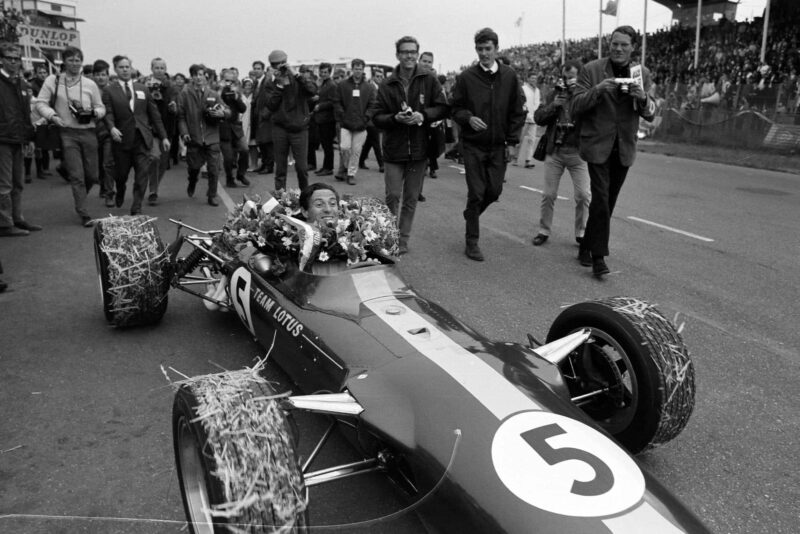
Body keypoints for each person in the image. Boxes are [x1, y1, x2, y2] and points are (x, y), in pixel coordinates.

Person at [570, 25, 656, 277]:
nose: (618, 49)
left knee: (608, 201)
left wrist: (641, 98)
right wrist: (598, 90)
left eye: (624, 45)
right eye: (614, 44)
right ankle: (599, 257)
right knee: (601, 199)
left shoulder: (643, 74)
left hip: (624, 147)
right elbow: (575, 106)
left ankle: (586, 245)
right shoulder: (592, 70)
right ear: (609, 45)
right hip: (597, 145)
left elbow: (650, 113)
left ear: (633, 48)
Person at [451, 28, 526, 261]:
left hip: (498, 145)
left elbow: (518, 110)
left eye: (488, 49)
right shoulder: (466, 78)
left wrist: (512, 142)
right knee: (476, 192)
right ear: (476, 50)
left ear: (496, 49)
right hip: (473, 145)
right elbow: (454, 108)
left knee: (494, 191)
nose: (484, 53)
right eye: (480, 49)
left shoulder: (510, 76)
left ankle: (470, 214)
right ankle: (471, 241)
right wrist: (467, 118)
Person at [371, 35, 448, 256]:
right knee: (393, 195)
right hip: (394, 150)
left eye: (413, 52)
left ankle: (402, 239)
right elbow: (376, 116)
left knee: (411, 198)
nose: (409, 56)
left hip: (419, 149)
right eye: (405, 52)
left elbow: (443, 107)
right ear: (397, 55)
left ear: (417, 53)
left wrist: (422, 115)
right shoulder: (387, 83)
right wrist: (395, 118)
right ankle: (388, 235)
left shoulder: (429, 79)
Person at [34, 45, 106, 227]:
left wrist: (94, 113)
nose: (75, 64)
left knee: (92, 175)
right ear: (64, 61)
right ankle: (83, 212)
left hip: (88, 131)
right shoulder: (54, 80)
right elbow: (40, 103)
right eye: (71, 60)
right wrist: (53, 116)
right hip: (67, 132)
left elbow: (101, 107)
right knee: (77, 175)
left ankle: (80, 196)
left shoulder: (90, 84)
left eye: (78, 60)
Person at [531, 60, 590, 248]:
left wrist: (577, 95)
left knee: (583, 195)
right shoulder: (554, 93)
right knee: (548, 194)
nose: (567, 80)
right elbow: (538, 118)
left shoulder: (585, 95)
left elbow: (593, 115)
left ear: (580, 77)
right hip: (555, 151)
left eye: (571, 76)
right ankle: (543, 230)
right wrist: (554, 105)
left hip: (578, 152)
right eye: (565, 77)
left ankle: (581, 232)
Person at [102, 55, 169, 215]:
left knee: (142, 174)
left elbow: (154, 115)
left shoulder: (142, 88)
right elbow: (108, 113)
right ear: (115, 69)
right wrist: (111, 128)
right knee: (121, 174)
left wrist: (164, 136)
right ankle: (120, 190)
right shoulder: (109, 90)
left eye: (127, 67)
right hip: (122, 139)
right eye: (121, 67)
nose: (125, 70)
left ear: (131, 68)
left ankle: (137, 206)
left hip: (141, 139)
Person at [0, 42, 40, 237]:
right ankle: (5, 223)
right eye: (10, 58)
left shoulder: (23, 84)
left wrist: (30, 138)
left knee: (18, 182)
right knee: (4, 184)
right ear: (2, 59)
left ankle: (18, 218)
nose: (14, 62)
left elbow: (26, 114)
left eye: (17, 59)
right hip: (2, 139)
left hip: (19, 138)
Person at [177, 63, 229, 206]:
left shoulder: (213, 94)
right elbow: (181, 116)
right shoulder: (185, 94)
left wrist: (222, 113)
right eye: (195, 75)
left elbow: (227, 110)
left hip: (212, 137)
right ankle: (192, 181)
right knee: (194, 167)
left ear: (205, 77)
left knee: (213, 169)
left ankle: (212, 195)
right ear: (191, 77)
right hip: (194, 138)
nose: (198, 78)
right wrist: (184, 133)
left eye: (201, 75)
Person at [266, 49, 317, 191]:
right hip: (280, 128)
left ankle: (305, 196)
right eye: (275, 64)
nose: (279, 66)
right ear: (271, 65)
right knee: (280, 169)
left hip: (299, 128)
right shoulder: (270, 81)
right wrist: (280, 85)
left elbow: (312, 90)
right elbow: (270, 104)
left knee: (302, 168)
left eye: (282, 63)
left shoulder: (298, 78)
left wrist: (296, 73)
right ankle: (280, 198)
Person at [333, 58, 375, 185]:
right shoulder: (342, 85)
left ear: (363, 70)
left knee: (356, 151)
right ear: (352, 69)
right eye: (356, 68)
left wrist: (366, 117)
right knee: (344, 148)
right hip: (346, 123)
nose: (358, 71)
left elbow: (372, 104)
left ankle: (351, 173)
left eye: (360, 69)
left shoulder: (369, 87)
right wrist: (342, 115)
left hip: (361, 125)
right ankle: (345, 167)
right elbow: (337, 101)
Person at [142, 57, 178, 205]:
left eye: (162, 68)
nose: (159, 70)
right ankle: (153, 191)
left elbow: (176, 103)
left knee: (163, 162)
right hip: (150, 127)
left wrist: (174, 107)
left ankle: (154, 186)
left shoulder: (170, 85)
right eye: (157, 67)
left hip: (167, 126)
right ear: (151, 69)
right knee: (154, 157)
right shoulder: (144, 84)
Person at [218, 70, 250, 188]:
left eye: (232, 81)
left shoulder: (237, 92)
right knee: (228, 157)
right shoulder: (217, 91)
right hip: (223, 128)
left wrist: (236, 97)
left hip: (236, 127)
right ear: (222, 80)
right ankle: (229, 178)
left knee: (245, 150)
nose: (229, 83)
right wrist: (221, 92)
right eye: (227, 80)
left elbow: (243, 109)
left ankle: (241, 174)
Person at [91, 59, 116, 207]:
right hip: (91, 132)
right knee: (97, 164)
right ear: (93, 76)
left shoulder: (113, 90)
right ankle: (102, 186)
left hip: (108, 132)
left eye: (103, 74)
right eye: (98, 74)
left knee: (108, 163)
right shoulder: (88, 90)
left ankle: (109, 193)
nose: (101, 77)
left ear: (108, 76)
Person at [358, 67, 384, 173]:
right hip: (370, 119)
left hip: (376, 118)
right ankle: (381, 164)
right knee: (376, 142)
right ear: (373, 77)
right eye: (377, 76)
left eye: (381, 76)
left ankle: (361, 160)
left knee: (370, 142)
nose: (380, 78)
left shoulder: (380, 87)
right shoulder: (371, 87)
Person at [250, 60, 274, 174]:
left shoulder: (267, 81)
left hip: (265, 116)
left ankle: (269, 166)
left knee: (267, 141)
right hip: (257, 115)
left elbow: (271, 99)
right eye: (255, 68)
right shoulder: (256, 82)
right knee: (261, 142)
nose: (256, 70)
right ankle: (264, 164)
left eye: (259, 68)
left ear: (263, 70)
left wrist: (265, 113)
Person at [313, 62, 336, 177]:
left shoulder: (331, 85)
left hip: (328, 119)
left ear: (330, 72)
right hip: (321, 118)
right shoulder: (323, 83)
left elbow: (333, 102)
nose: (323, 74)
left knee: (327, 145)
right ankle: (325, 166)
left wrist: (320, 106)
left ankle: (328, 167)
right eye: (321, 72)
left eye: (325, 72)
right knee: (325, 144)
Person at [515, 71, 541, 169]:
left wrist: (534, 114)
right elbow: (522, 102)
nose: (533, 80)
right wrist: (527, 113)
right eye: (532, 78)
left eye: (535, 78)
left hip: (533, 119)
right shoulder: (523, 89)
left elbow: (537, 103)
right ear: (528, 79)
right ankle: (515, 158)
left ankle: (528, 160)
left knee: (532, 140)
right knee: (520, 139)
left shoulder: (537, 90)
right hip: (524, 117)